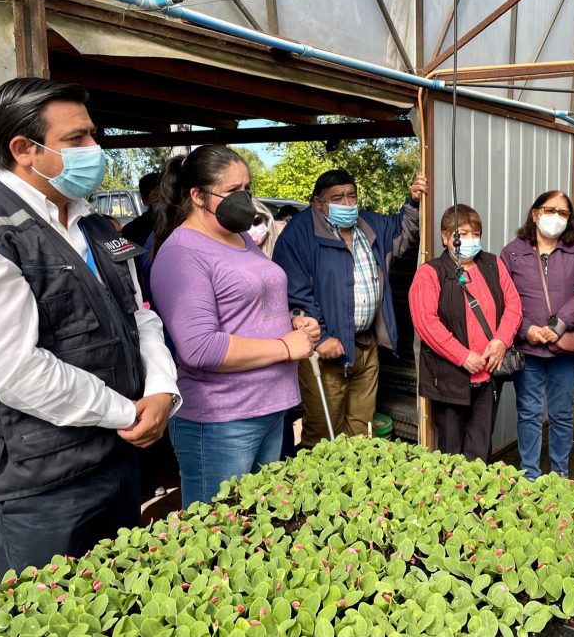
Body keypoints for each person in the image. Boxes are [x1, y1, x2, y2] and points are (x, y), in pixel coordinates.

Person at [0, 77, 180, 577]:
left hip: (118, 460)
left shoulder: (98, 227)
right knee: (53, 617)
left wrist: (163, 390)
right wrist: (126, 411)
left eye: (93, 135)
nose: (96, 149)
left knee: (123, 607)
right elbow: (16, 372)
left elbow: (140, 316)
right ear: (24, 149)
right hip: (42, 488)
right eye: (78, 139)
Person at [149, 145, 319, 508]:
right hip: (223, 420)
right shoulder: (182, 253)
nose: (244, 199)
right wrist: (287, 347)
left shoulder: (240, 238)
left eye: (247, 188)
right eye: (231, 191)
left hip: (271, 407)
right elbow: (200, 347)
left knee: (261, 525)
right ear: (197, 195)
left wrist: (291, 323)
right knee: (219, 535)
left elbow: (246, 308)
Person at [273, 169, 427, 447]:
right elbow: (294, 292)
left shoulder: (367, 224)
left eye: (351, 196)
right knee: (323, 434)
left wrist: (414, 201)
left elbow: (402, 230)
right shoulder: (298, 233)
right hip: (325, 350)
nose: (347, 203)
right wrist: (321, 335)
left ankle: (353, 485)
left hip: (365, 345)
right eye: (338, 198)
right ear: (318, 203)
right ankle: (319, 489)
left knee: (361, 430)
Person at [410, 204, 523, 461]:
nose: (471, 240)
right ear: (445, 236)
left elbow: (514, 305)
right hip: (449, 378)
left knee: (480, 449)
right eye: (463, 233)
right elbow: (426, 323)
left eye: (475, 234)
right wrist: (463, 356)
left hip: (488, 377)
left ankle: (477, 501)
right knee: (451, 452)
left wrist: (501, 341)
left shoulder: (493, 264)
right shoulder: (430, 273)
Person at [501, 191, 574, 480]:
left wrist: (559, 324)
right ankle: (529, 474)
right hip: (528, 349)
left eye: (563, 213)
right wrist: (527, 330)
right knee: (528, 412)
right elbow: (505, 297)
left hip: (563, 349)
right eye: (550, 210)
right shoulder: (512, 251)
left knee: (562, 414)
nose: (556, 217)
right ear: (535, 213)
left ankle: (559, 474)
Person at [120, 171, 159, 246]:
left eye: (165, 196)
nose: (163, 202)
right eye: (156, 198)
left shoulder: (180, 224)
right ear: (145, 201)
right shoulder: (132, 230)